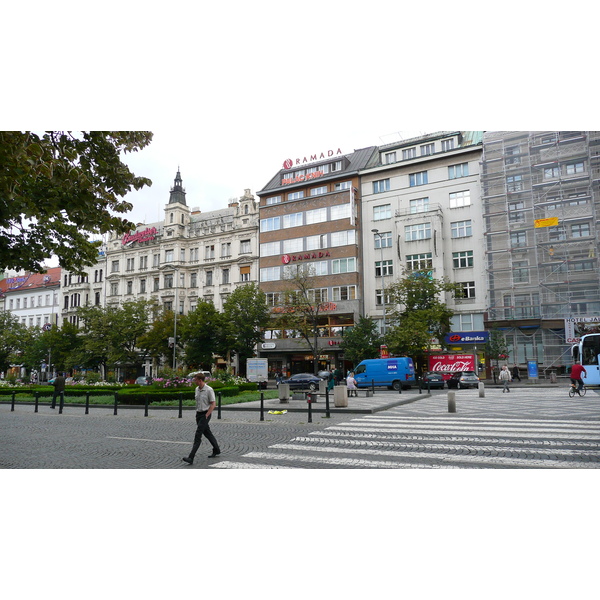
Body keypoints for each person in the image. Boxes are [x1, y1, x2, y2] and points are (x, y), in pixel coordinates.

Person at [182, 372, 221, 464]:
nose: (194, 382)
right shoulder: (197, 389)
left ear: (200, 380)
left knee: (198, 434)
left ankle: (191, 457)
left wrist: (207, 414)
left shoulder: (209, 390)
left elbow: (213, 404)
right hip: (198, 414)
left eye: (195, 380)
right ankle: (217, 449)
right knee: (207, 433)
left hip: (205, 414)